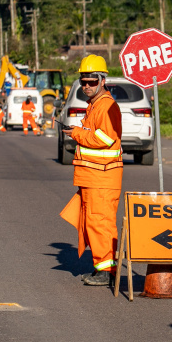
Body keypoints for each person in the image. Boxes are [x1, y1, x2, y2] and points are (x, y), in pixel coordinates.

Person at [69, 54, 123, 286]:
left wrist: (76, 133)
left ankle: (106, 271)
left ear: (103, 81)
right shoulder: (95, 105)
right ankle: (102, 267)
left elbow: (105, 139)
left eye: (92, 81)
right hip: (94, 177)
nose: (87, 86)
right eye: (83, 82)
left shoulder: (106, 106)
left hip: (102, 177)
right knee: (94, 223)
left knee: (100, 223)